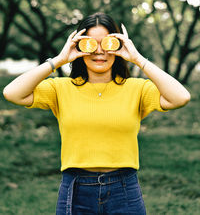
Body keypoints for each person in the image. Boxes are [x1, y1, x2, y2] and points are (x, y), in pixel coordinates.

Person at [3, 12, 190, 215]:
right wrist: (58, 60)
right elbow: (12, 93)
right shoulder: (60, 88)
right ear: (78, 46)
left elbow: (180, 97)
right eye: (91, 44)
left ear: (118, 46)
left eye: (108, 43)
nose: (99, 51)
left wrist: (138, 59)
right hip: (75, 190)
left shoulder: (137, 88)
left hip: (124, 190)